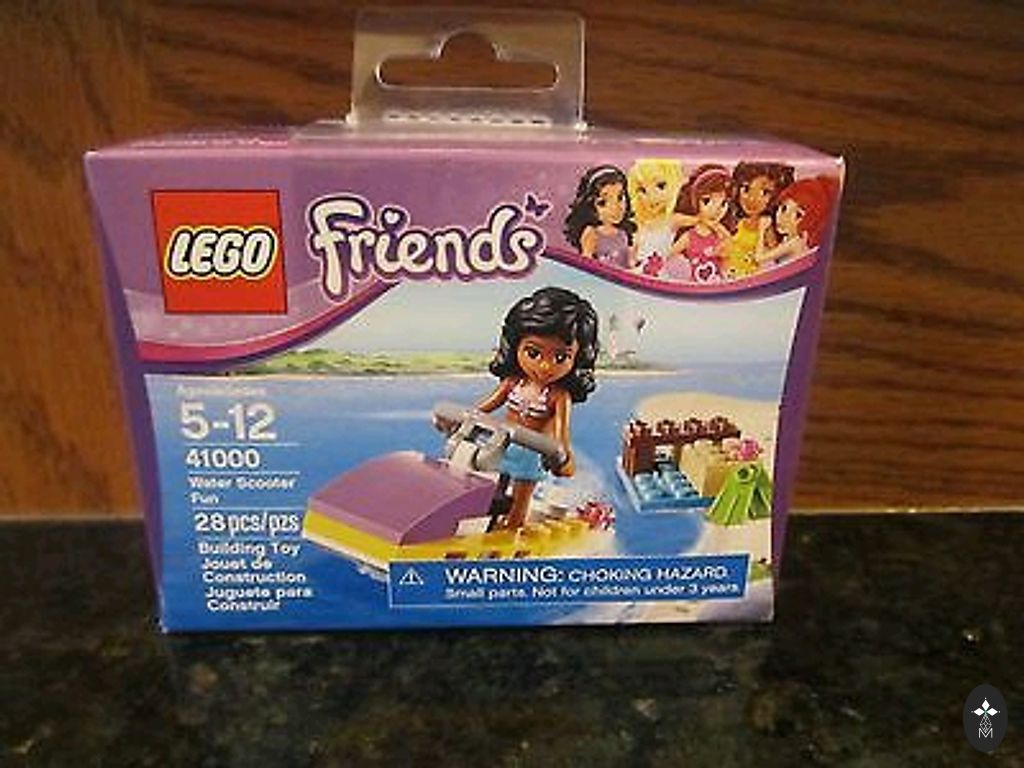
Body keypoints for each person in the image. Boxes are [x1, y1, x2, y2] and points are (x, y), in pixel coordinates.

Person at [476, 287, 599, 530]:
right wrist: (463, 419)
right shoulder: (513, 382)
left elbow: (561, 433)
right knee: (492, 489)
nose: (545, 366)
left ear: (577, 359)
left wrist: (562, 457)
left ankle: (513, 529)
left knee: (520, 498)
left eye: (560, 357)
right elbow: (485, 406)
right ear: (515, 346)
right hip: (501, 444)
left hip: (530, 452)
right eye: (533, 353)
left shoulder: (558, 396)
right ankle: (490, 523)